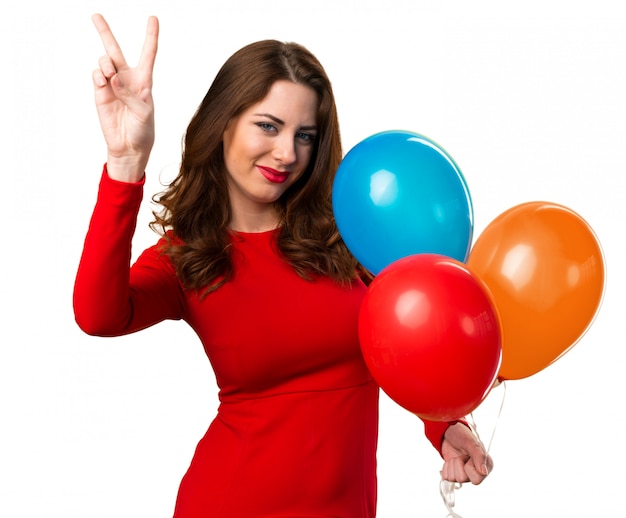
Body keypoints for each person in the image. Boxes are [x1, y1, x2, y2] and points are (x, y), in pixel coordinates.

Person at [74, 13, 493, 517]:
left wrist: (445, 424)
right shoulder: (190, 257)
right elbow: (98, 316)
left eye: (306, 135)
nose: (287, 152)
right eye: (268, 126)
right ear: (223, 121)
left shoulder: (350, 232)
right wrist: (125, 163)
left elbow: (408, 335)